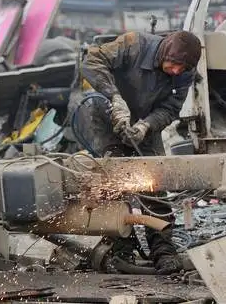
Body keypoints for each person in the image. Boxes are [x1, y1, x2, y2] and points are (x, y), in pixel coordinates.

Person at [68, 30, 202, 274]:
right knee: (115, 181)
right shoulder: (134, 44)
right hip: (105, 116)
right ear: (164, 51)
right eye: (172, 64)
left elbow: (171, 108)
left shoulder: (185, 72)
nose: (175, 72)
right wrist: (115, 98)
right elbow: (93, 61)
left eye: (182, 68)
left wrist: (146, 125)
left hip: (144, 123)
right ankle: (120, 246)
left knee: (155, 183)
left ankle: (163, 249)